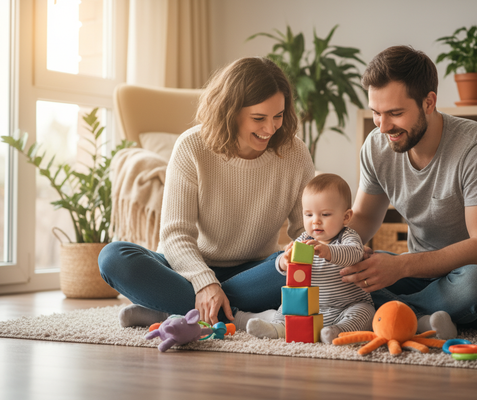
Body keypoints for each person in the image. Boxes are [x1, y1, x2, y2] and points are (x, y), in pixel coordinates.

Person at [99, 57, 315, 328]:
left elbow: (306, 231)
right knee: (113, 258)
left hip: (256, 272)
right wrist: (204, 282)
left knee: (308, 263)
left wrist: (309, 248)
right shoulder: (192, 147)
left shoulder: (295, 153)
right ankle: (234, 313)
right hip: (186, 268)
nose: (270, 128)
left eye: (278, 116)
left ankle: (174, 310)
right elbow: (176, 235)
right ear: (230, 111)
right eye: (259, 118)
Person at [340, 45, 477, 338]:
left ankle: (382, 313)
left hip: (475, 279)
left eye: (395, 113)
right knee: (352, 271)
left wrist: (400, 266)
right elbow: (362, 218)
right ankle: (419, 318)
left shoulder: (476, 147)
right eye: (376, 113)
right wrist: (334, 251)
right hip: (418, 278)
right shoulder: (376, 146)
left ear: (429, 102)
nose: (383, 127)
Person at [240, 173, 376, 343]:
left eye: (325, 215)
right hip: (311, 308)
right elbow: (289, 269)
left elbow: (354, 253)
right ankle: (278, 328)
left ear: (346, 217)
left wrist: (328, 252)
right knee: (286, 306)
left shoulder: (347, 237)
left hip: (346, 306)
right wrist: (284, 261)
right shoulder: (304, 240)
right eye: (309, 215)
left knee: (365, 312)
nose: (316, 221)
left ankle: (339, 331)